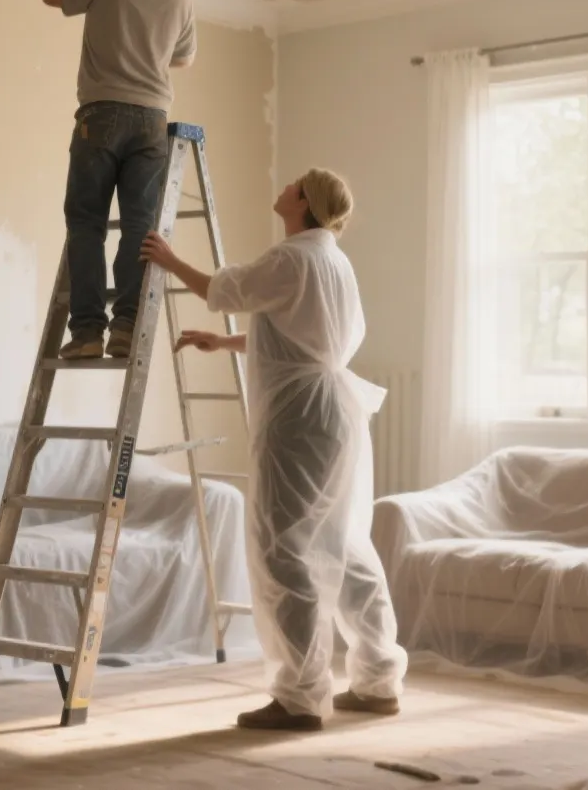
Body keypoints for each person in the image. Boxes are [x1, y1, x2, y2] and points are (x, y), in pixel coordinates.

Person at [141, 169, 408, 732]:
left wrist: (170, 260)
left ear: (304, 201)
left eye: (294, 184)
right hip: (335, 415)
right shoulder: (333, 261)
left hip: (300, 420)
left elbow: (224, 291)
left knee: (284, 549)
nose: (285, 186)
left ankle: (299, 697)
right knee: (345, 543)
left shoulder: (292, 256)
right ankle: (379, 680)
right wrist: (227, 342)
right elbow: (301, 334)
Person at [42, 0, 196, 360]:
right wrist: (147, 49)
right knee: (139, 226)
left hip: (102, 114)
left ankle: (89, 331)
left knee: (87, 222)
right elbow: (184, 58)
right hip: (152, 120)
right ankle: (126, 327)